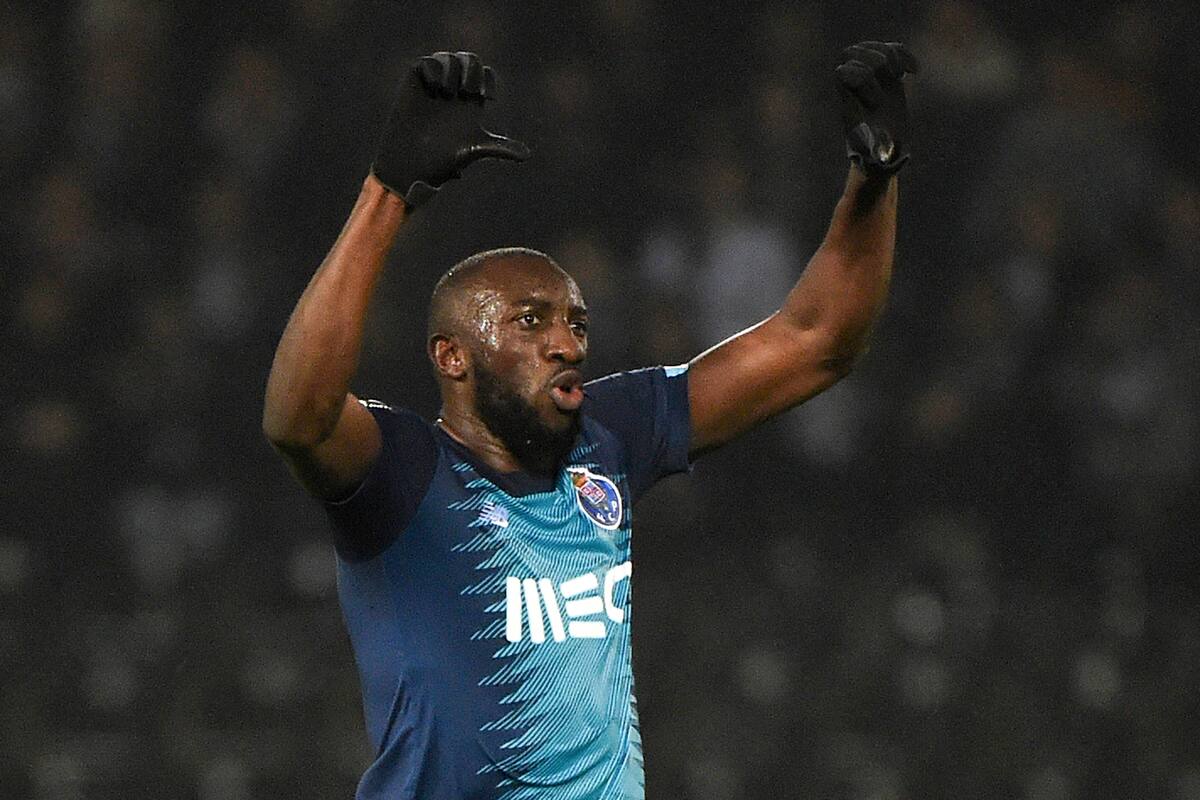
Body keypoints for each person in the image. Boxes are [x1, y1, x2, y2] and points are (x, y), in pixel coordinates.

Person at [263, 44, 916, 800]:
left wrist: (873, 181)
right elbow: (299, 418)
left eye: (576, 322)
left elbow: (817, 342)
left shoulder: (607, 437)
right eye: (530, 321)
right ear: (452, 356)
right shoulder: (406, 473)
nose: (567, 343)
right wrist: (385, 198)